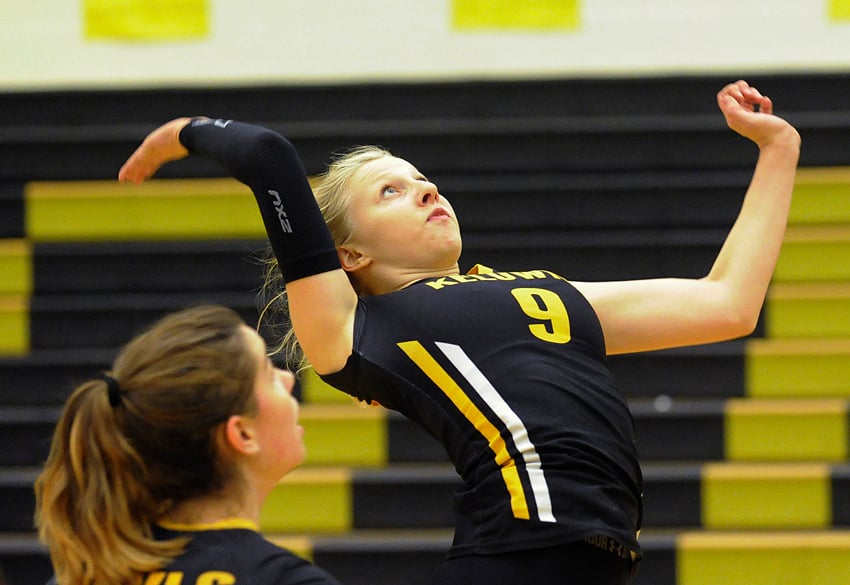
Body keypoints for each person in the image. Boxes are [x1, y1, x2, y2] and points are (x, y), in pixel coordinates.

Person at [118, 80, 801, 585]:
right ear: (349, 255)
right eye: (388, 192)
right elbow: (267, 154)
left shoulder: (542, 291)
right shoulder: (355, 324)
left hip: (603, 558)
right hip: (512, 556)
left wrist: (779, 149)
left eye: (421, 179)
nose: (424, 189)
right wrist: (183, 131)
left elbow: (729, 302)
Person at [34, 304, 344, 585]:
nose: (288, 379)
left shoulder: (80, 577)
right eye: (267, 373)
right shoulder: (287, 580)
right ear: (242, 435)